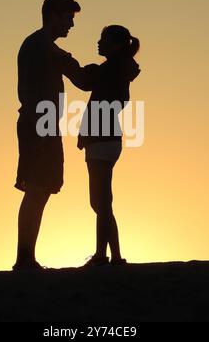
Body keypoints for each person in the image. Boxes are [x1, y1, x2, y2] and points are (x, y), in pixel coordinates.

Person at [61, 25, 141, 267]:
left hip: (102, 141)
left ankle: (102, 256)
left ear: (116, 45)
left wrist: (65, 63)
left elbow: (84, 81)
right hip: (107, 140)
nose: (98, 42)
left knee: (100, 201)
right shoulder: (117, 69)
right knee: (102, 201)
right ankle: (112, 256)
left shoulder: (111, 69)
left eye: (103, 39)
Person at [13, 0, 81, 271]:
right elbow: (28, 91)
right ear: (53, 15)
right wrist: (41, 128)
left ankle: (26, 256)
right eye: (68, 18)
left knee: (41, 191)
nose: (71, 25)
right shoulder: (37, 46)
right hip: (37, 125)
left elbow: (79, 75)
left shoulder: (46, 47)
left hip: (44, 125)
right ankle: (24, 257)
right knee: (35, 189)